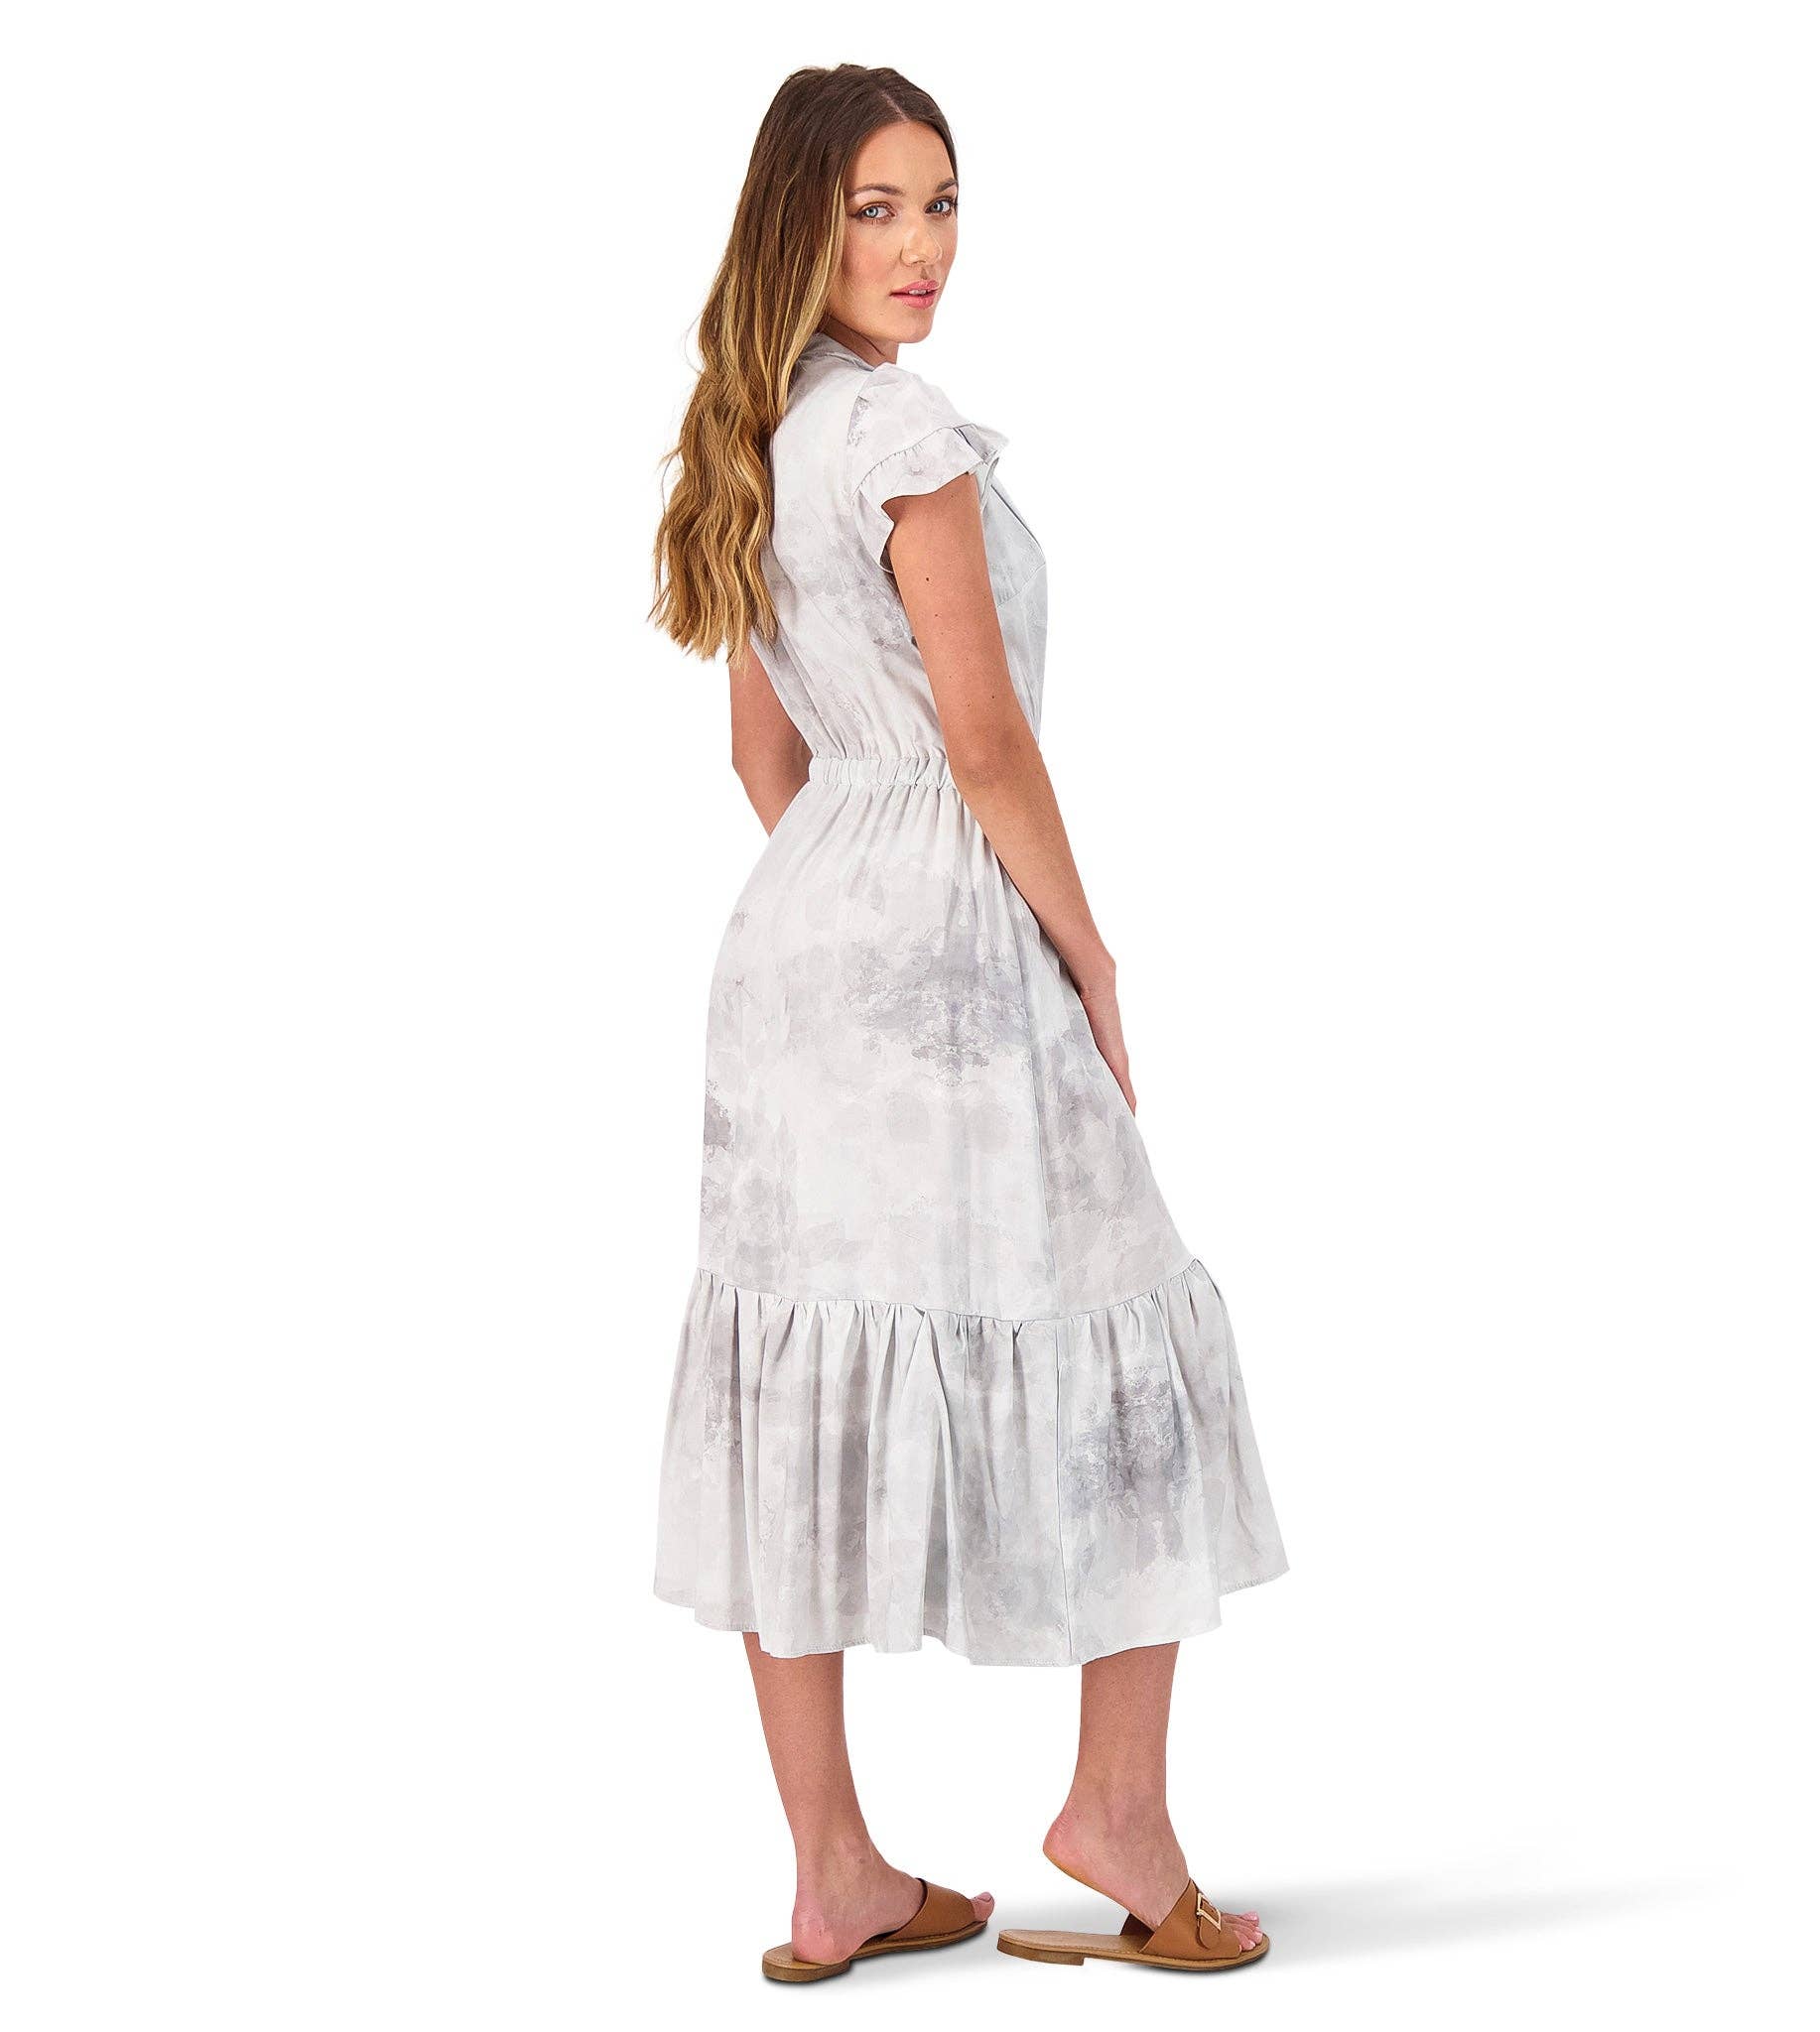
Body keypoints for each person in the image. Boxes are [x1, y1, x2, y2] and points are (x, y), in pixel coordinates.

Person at [647, 64, 1289, 1982]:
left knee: (794, 1368)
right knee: (1122, 1317)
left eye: (941, 204)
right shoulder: (903, 434)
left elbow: (763, 754)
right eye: (878, 209)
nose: (921, 247)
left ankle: (832, 1872)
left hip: (795, 953)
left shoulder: (754, 431)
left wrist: (850, 893)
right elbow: (988, 740)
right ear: (802, 222)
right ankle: (1118, 1813)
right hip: (947, 948)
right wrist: (1083, 955)